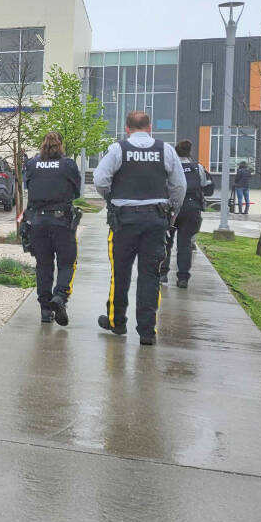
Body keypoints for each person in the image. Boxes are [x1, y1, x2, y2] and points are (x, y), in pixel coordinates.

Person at [92, 110, 186, 346]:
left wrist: (112, 198)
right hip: (155, 221)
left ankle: (117, 322)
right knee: (150, 275)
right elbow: (179, 186)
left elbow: (100, 179)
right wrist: (171, 211)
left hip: (124, 221)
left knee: (120, 273)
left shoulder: (118, 149)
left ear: (127, 128)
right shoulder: (165, 150)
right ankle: (147, 331)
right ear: (150, 127)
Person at [23, 131, 82, 326]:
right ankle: (60, 296)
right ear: (61, 145)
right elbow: (76, 191)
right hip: (62, 221)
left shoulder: (32, 164)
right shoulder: (68, 165)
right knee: (66, 263)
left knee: (44, 265)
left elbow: (28, 186)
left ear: (43, 145)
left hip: (38, 221)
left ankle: (45, 310)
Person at [160, 139, 214, 289]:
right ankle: (183, 278)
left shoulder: (169, 168)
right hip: (191, 209)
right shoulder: (198, 168)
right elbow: (207, 187)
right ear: (189, 152)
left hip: (171, 209)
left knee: (166, 242)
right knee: (185, 244)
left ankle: (163, 274)